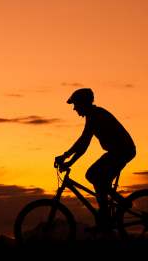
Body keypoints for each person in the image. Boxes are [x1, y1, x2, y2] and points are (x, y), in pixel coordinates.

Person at [55, 88, 136, 231]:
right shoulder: (93, 115)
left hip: (122, 151)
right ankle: (108, 215)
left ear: (83, 103)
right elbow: (83, 143)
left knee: (94, 175)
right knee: (97, 178)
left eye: (76, 105)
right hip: (118, 151)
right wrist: (68, 159)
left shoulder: (95, 116)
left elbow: (83, 144)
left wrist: (67, 158)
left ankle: (111, 212)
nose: (74, 109)